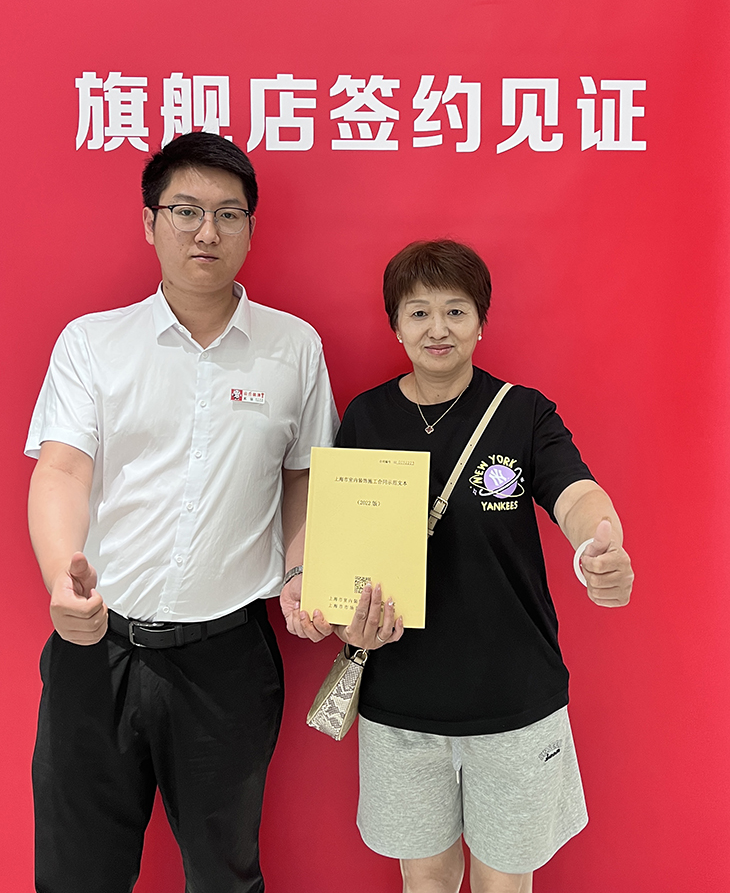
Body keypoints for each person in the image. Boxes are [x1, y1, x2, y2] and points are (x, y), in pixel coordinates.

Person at [26, 132, 338, 893]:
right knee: (76, 873)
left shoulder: (293, 347)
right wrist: (62, 578)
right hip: (98, 646)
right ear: (149, 221)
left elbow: (306, 475)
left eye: (228, 214)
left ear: (250, 229)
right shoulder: (93, 344)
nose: (207, 231)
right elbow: (62, 468)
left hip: (226, 659)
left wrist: (302, 570)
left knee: (225, 874)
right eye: (186, 210)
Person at [288, 239, 633, 893]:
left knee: (505, 882)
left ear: (481, 323)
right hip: (400, 702)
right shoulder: (366, 416)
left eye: (455, 311)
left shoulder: (523, 413)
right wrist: (331, 610)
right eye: (418, 313)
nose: (437, 328)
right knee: (425, 877)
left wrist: (598, 543)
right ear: (396, 326)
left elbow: (575, 493)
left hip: (513, 699)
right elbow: (341, 539)